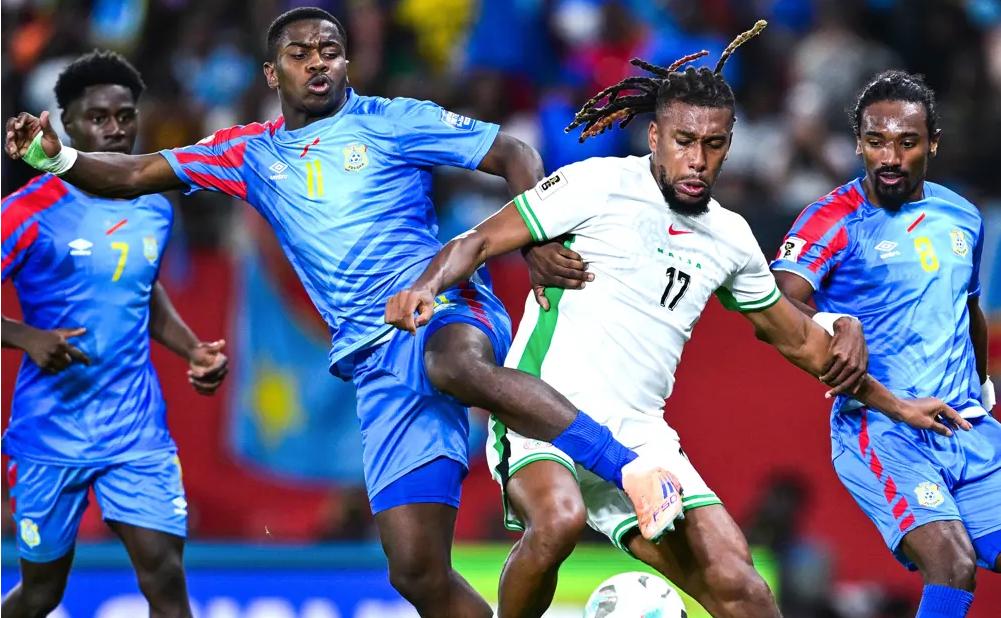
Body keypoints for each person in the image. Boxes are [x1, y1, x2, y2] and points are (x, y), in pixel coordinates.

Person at [5, 8, 682, 616]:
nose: (318, 62)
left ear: (347, 61)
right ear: (272, 73)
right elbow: (128, 175)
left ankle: (628, 467)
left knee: (451, 364)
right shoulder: (248, 153)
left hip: (441, 303)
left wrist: (536, 238)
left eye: (329, 50)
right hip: (373, 359)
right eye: (300, 53)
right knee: (415, 571)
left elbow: (514, 152)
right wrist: (54, 157)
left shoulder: (390, 120)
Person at [384, 23, 969, 618]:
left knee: (742, 588)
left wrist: (896, 404)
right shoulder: (597, 184)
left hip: (641, 434)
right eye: (684, 141)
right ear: (655, 135)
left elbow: (801, 342)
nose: (697, 160)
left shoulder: (730, 238)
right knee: (560, 520)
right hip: (544, 414)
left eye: (713, 145)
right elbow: (478, 241)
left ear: (730, 144)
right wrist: (425, 288)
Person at [1, 51, 229, 618]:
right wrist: (27, 338)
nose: (115, 129)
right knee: (42, 592)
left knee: (166, 578)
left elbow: (142, 290)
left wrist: (192, 348)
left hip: (135, 430)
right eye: (98, 117)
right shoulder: (25, 210)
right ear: (66, 125)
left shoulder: (154, 206)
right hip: (51, 431)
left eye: (125, 116)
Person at [770, 70, 999, 618]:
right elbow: (775, 302)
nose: (889, 157)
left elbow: (968, 307)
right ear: (858, 143)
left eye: (907, 142)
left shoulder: (962, 216)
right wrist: (834, 323)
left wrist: (983, 384)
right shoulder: (832, 219)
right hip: (882, 430)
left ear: (933, 143)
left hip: (965, 424)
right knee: (952, 565)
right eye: (876, 142)